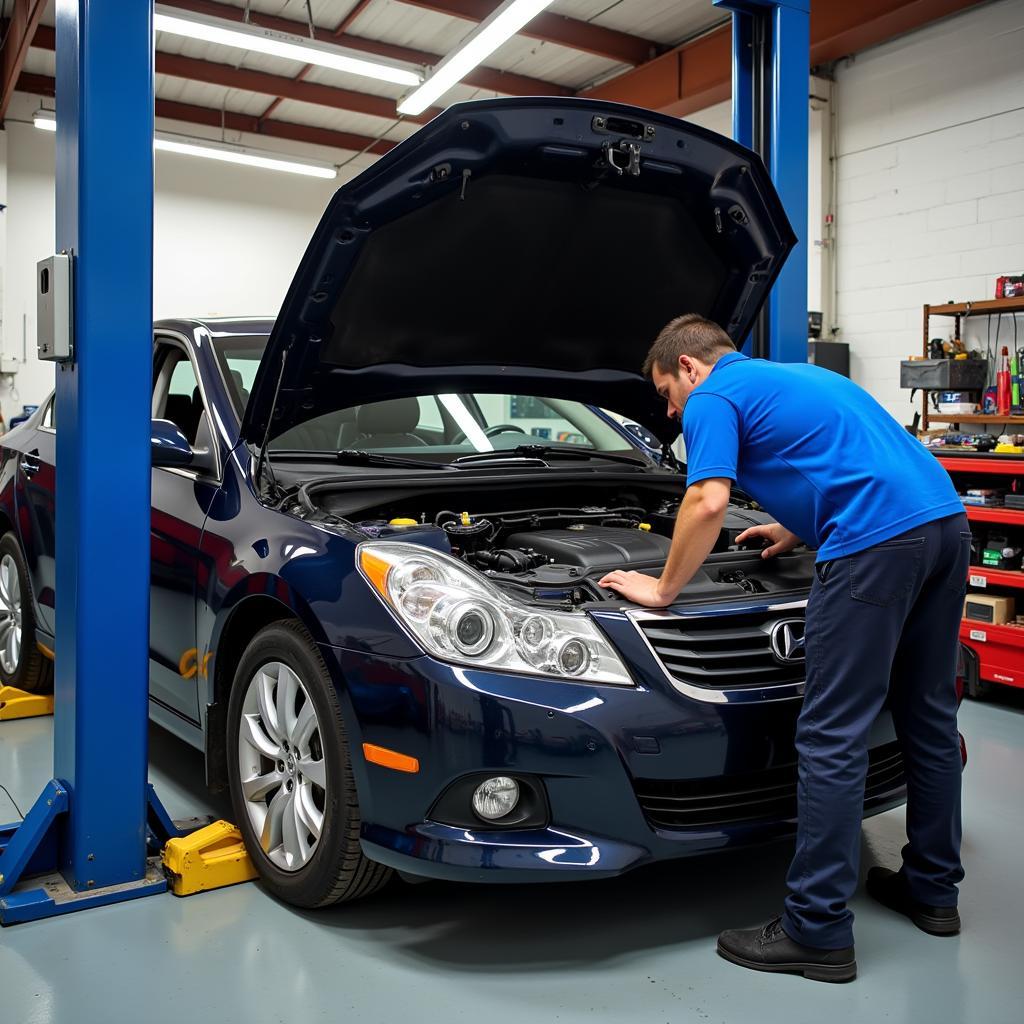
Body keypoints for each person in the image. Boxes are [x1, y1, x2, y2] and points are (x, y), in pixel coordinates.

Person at [599, 313, 968, 984]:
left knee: (831, 736)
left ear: (687, 367)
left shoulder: (712, 396)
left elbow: (707, 501)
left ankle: (817, 930)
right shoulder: (801, 376)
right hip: (942, 526)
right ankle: (933, 891)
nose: (671, 412)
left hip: (875, 547)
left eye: (666, 396)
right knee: (931, 720)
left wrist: (661, 588)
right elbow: (844, 459)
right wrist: (795, 526)